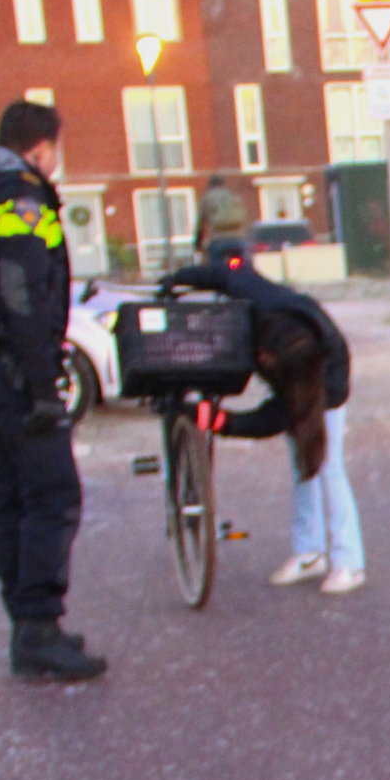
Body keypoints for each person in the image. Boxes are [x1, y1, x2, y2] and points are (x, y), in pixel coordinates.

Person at [0, 101, 105, 681]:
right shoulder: (19, 196)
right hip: (10, 366)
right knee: (54, 494)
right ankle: (38, 629)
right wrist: (42, 387)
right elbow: (25, 292)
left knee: (7, 491)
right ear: (40, 147)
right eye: (56, 149)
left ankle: (22, 624)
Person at [161, 248, 364, 593]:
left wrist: (222, 422)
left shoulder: (320, 380)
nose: (260, 358)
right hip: (304, 368)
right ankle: (309, 552)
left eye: (265, 360)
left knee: (327, 466)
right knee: (300, 463)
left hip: (326, 383)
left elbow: (270, 419)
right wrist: (177, 279)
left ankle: (349, 562)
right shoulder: (262, 299)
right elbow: (227, 273)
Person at [195, 172, 250, 254]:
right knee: (246, 262)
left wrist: (198, 244)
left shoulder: (207, 198)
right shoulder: (234, 196)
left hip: (218, 239)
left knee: (215, 264)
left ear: (210, 184)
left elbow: (200, 223)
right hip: (239, 238)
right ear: (223, 183)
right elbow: (246, 219)